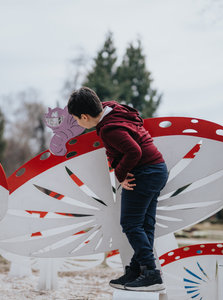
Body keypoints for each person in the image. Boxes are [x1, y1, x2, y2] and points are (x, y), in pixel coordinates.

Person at [67, 86, 168, 292]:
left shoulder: (109, 129)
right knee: (144, 224)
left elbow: (134, 151)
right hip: (157, 170)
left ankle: (151, 273)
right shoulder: (111, 110)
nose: (77, 123)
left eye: (77, 119)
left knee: (130, 224)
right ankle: (137, 269)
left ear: (85, 116)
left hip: (145, 173)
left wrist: (120, 175)